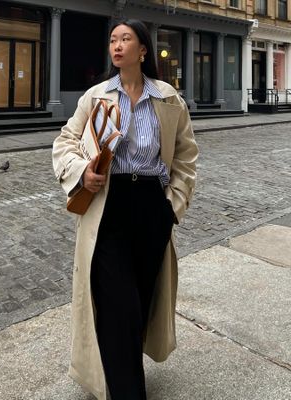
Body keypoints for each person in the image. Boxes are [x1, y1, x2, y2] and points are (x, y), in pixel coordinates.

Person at [52, 19, 198, 400]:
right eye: (113, 40)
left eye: (125, 39)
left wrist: (172, 207)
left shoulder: (168, 98)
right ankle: (127, 391)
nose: (117, 46)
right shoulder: (97, 96)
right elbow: (65, 141)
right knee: (120, 305)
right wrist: (82, 171)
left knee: (141, 300)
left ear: (143, 49)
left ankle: (124, 371)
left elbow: (185, 157)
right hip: (109, 208)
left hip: (152, 209)